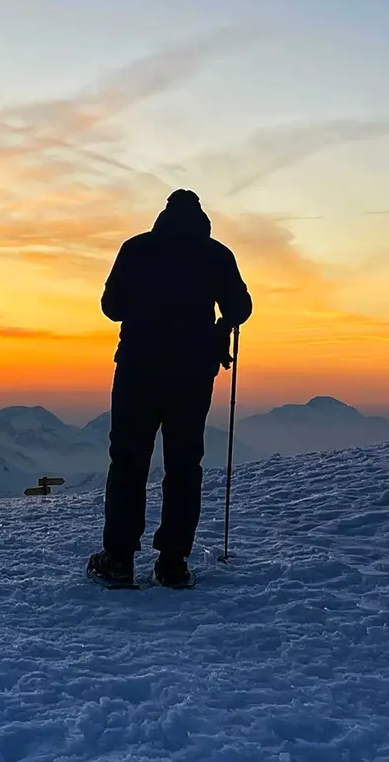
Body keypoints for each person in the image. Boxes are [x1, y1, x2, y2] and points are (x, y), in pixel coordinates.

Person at [87, 189, 252, 588]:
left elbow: (112, 308)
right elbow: (240, 308)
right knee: (183, 464)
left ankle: (120, 558)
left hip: (137, 370)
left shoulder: (137, 249)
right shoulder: (215, 255)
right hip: (192, 374)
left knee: (128, 461)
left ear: (163, 216)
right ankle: (173, 562)